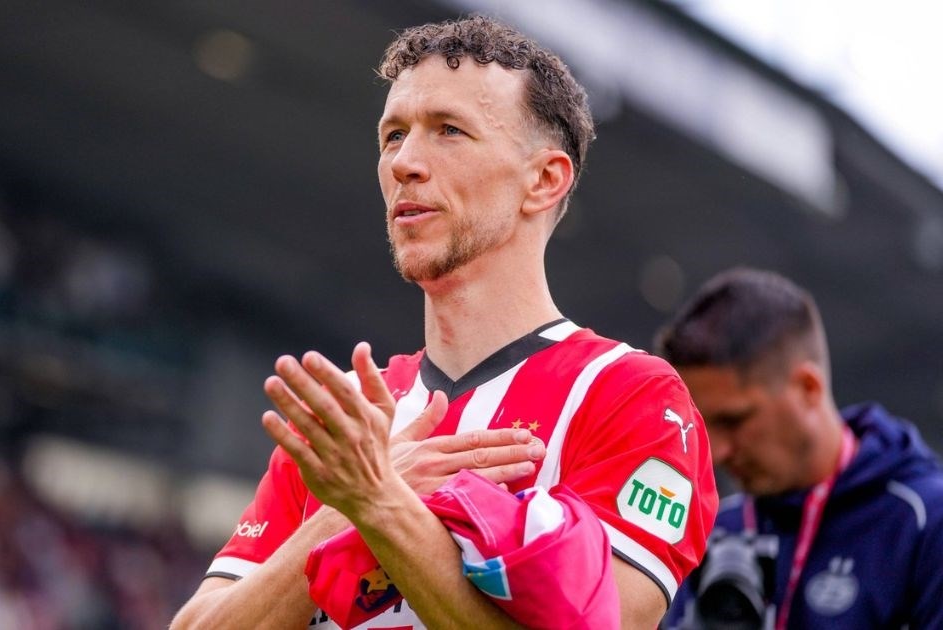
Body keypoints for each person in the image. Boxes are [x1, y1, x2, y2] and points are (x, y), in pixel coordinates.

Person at [172, 15, 717, 629]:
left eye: (449, 130)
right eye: (393, 136)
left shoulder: (630, 397)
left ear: (543, 180)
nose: (404, 162)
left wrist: (380, 502)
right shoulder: (344, 420)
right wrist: (345, 509)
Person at [655, 267, 943, 629]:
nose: (716, 452)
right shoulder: (711, 532)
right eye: (700, 424)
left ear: (808, 388)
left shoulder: (925, 523)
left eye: (734, 420)